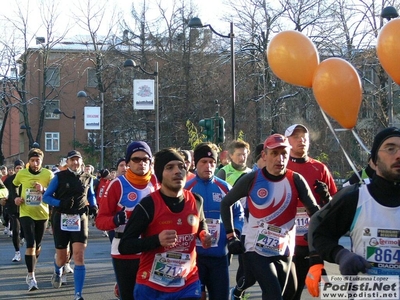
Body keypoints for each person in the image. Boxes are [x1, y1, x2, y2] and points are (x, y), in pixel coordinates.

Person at [220, 133, 319, 300]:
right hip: (256, 247)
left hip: (284, 247)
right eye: (274, 153)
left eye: (284, 154)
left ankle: (238, 291)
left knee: (285, 294)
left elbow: (314, 212)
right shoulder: (251, 179)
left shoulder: (295, 180)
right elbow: (226, 203)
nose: (280, 159)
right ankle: (238, 290)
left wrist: (315, 235)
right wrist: (231, 236)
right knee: (274, 295)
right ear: (264, 156)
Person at [308, 127, 400, 295]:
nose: (398, 155)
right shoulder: (355, 198)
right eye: (390, 148)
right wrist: (341, 255)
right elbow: (321, 235)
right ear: (374, 160)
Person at [119, 148, 212, 300]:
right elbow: (125, 245)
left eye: (181, 166)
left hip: (187, 282)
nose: (178, 171)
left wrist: (204, 235)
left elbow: (201, 225)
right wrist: (156, 240)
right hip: (152, 286)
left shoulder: (196, 200)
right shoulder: (148, 205)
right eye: (170, 167)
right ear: (160, 173)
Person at [96, 141, 158, 300]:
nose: (141, 163)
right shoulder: (118, 185)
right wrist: (116, 220)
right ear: (128, 162)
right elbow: (100, 221)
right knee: (129, 296)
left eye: (145, 159)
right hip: (124, 249)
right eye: (136, 159)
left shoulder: (155, 182)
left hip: (149, 247)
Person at [284, 123, 337, 300]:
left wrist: (326, 197)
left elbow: (335, 205)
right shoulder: (282, 167)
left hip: (314, 241)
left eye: (304, 137)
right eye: (296, 137)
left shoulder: (320, 168)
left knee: (321, 291)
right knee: (291, 292)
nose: (302, 140)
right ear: (288, 141)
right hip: (288, 241)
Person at [185, 142, 244, 300]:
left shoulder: (225, 187)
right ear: (195, 164)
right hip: (195, 258)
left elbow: (239, 213)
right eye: (203, 162)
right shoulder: (187, 189)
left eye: (212, 162)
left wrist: (234, 233)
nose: (208, 166)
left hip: (219, 257)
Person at [43, 150, 98, 300]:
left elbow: (91, 194)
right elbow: (46, 197)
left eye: (77, 160)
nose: (75, 163)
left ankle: (78, 294)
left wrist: (94, 206)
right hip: (61, 218)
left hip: (80, 218)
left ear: (81, 161)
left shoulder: (88, 177)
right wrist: (60, 203)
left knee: (79, 256)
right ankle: (57, 269)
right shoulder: (59, 177)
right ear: (67, 162)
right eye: (72, 160)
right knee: (62, 258)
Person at [13, 148, 54, 291]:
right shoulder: (22, 174)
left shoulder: (48, 174)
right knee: (30, 243)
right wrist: (15, 198)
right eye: (32, 161)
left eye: (38, 161)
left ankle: (32, 265)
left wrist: (43, 189)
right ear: (28, 161)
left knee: (37, 246)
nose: (35, 163)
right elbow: (13, 186)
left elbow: (55, 191)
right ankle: (31, 276)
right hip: (26, 212)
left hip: (42, 214)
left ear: (42, 161)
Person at [3, 160, 25, 262]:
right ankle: (17, 253)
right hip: (12, 207)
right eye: (17, 168)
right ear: (14, 169)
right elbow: (2, 191)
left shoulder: (27, 179)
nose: (19, 170)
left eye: (21, 168)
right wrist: (2, 199)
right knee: (15, 229)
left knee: (25, 230)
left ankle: (22, 237)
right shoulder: (8, 180)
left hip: (25, 209)